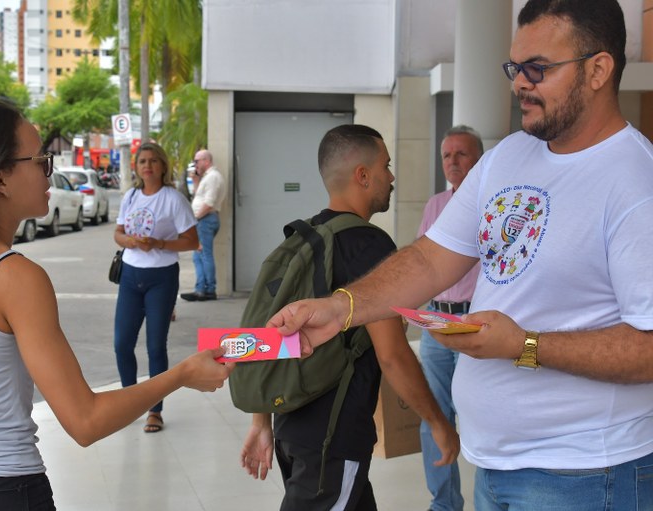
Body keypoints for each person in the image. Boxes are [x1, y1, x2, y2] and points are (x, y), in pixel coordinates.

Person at [267, 1, 653, 509]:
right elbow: (429, 260)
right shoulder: (509, 156)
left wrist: (525, 345)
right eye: (514, 67)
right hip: (493, 464)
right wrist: (341, 308)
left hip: (585, 472)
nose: (519, 83)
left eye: (538, 68)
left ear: (599, 69)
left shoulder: (635, 182)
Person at [0, 101, 233, 510]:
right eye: (41, 161)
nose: (50, 173)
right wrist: (182, 374)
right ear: (0, 178)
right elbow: (85, 421)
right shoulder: (14, 278)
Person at [240, 124, 459, 510]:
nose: (391, 177)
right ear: (363, 175)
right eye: (386, 166)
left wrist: (262, 422)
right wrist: (438, 423)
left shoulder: (304, 237)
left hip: (293, 424)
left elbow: (268, 333)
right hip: (332, 440)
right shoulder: (370, 246)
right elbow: (392, 355)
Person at [416, 125, 482, 511]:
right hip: (437, 325)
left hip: (477, 324)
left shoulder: (496, 205)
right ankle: (444, 504)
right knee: (434, 417)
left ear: (479, 159)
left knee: (486, 414)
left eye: (462, 154)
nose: (453, 161)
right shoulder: (435, 204)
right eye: (447, 155)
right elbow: (423, 263)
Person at [113, 142, 200, 433]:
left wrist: (159, 243)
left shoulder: (173, 199)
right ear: (136, 168)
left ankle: (155, 410)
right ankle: (128, 400)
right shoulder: (131, 196)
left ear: (162, 166)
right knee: (122, 342)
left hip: (161, 277)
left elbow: (192, 241)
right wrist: (130, 242)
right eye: (142, 161)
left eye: (153, 161)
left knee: (154, 345)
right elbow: (119, 232)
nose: (147, 166)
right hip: (130, 274)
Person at [180, 149, 226, 302]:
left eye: (197, 161)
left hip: (205, 220)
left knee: (204, 255)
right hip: (203, 220)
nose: (195, 164)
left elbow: (209, 203)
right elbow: (200, 196)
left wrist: (195, 219)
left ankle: (208, 290)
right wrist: (195, 180)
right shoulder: (208, 177)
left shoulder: (213, 177)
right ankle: (201, 289)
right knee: (198, 256)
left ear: (206, 161)